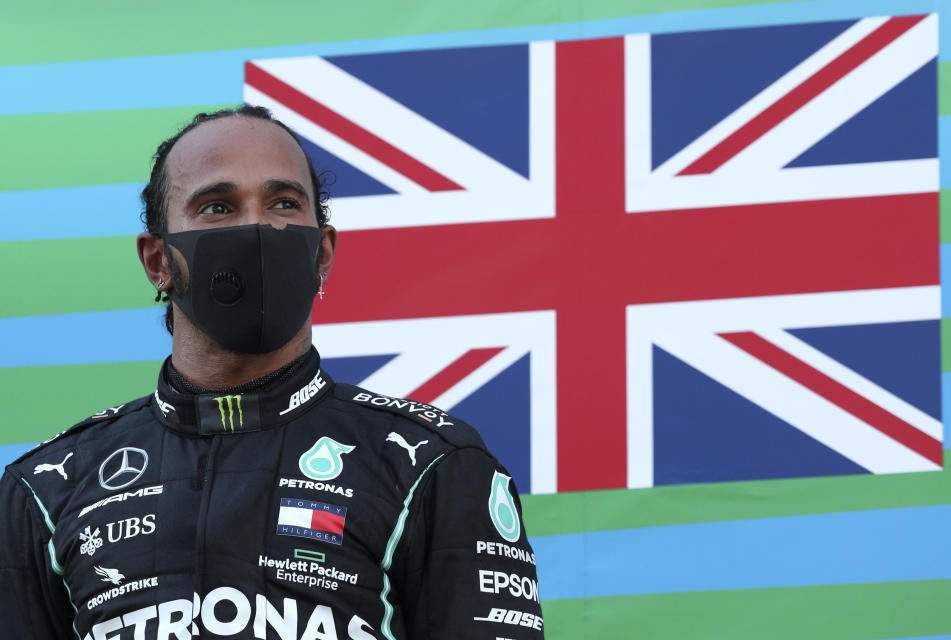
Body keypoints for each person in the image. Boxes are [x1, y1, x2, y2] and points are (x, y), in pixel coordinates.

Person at [0, 106, 544, 639]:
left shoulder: (433, 467)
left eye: (284, 202)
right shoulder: (46, 492)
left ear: (322, 253)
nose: (258, 226)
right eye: (217, 206)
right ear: (157, 262)